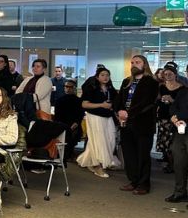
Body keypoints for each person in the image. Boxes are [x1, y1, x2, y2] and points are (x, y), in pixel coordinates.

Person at [114, 55, 159, 195]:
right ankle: (133, 181)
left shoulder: (151, 82)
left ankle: (143, 184)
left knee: (142, 155)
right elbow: (118, 99)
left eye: (137, 62)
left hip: (143, 124)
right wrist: (119, 110)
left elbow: (146, 102)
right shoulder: (126, 81)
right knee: (129, 154)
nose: (134, 64)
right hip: (126, 124)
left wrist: (129, 113)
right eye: (132, 62)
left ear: (144, 65)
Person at [78, 67, 119, 178]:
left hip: (108, 116)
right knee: (99, 141)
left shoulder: (110, 88)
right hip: (95, 116)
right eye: (102, 75)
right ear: (97, 77)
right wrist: (101, 105)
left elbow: (116, 101)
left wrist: (113, 108)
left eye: (107, 75)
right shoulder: (91, 88)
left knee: (110, 140)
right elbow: (84, 104)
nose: (105, 77)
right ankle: (98, 166)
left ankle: (91, 162)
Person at [156, 62, 183, 174]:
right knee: (164, 142)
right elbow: (157, 100)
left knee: (173, 143)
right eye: (165, 74)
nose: (167, 76)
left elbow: (182, 104)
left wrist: (172, 100)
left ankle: (175, 164)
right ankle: (169, 163)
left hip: (174, 118)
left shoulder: (181, 88)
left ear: (175, 75)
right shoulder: (161, 87)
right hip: (163, 117)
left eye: (170, 74)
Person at [167, 83, 188, 203]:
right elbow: (173, 107)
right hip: (180, 132)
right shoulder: (183, 91)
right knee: (179, 163)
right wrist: (174, 118)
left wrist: (179, 116)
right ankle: (180, 192)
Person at [54, 79, 84, 162]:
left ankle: (68, 154)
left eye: (70, 87)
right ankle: (65, 154)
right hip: (62, 124)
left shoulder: (78, 101)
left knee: (73, 134)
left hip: (74, 124)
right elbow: (57, 116)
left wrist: (76, 123)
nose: (68, 89)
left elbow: (80, 115)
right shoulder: (59, 100)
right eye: (66, 87)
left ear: (74, 88)